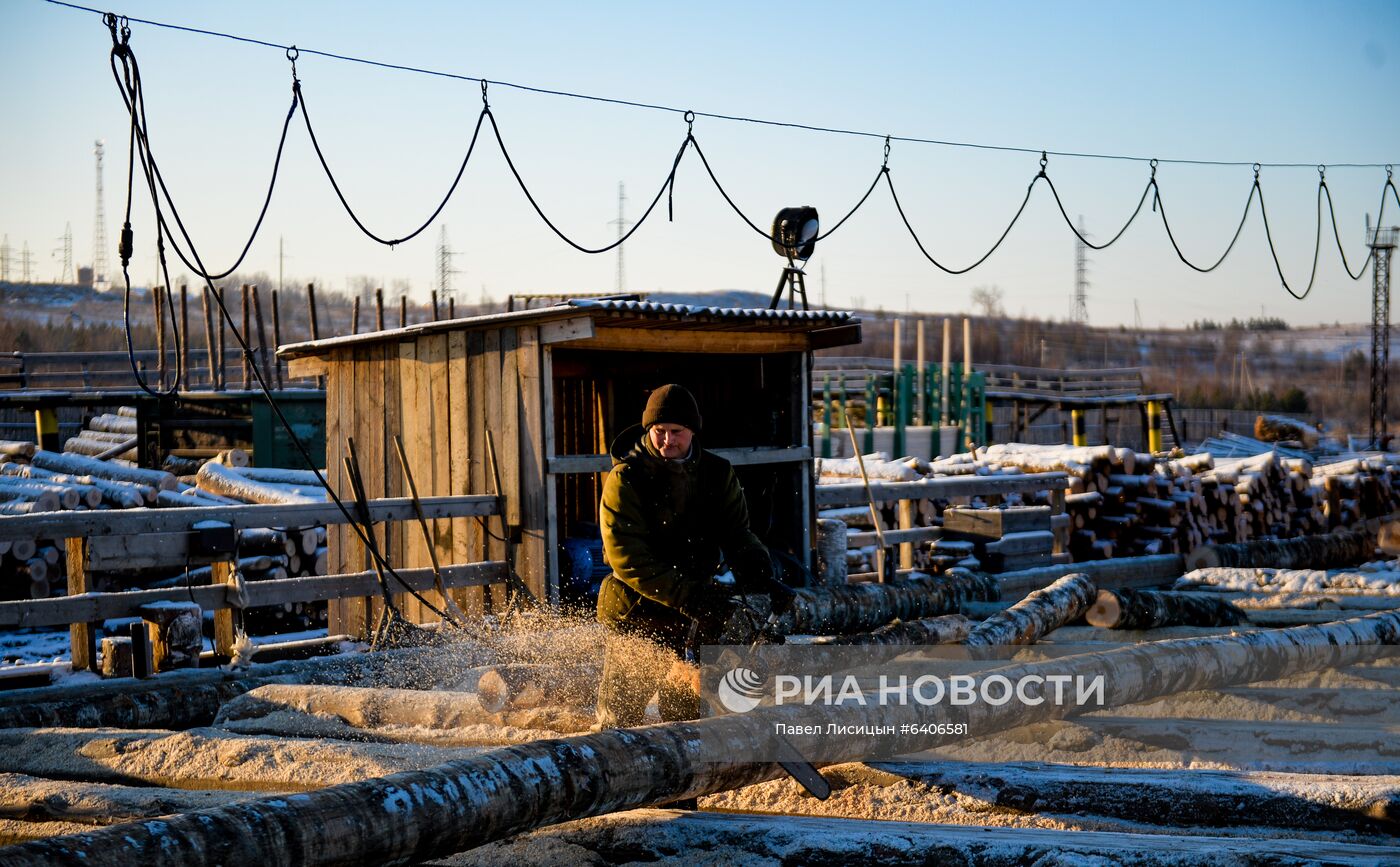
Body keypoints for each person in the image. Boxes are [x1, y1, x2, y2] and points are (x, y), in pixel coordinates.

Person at [594, 383, 795, 729]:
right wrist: (691, 596)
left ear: (692, 431)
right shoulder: (626, 479)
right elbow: (627, 559)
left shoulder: (716, 473)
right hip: (638, 611)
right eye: (659, 432)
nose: (668, 441)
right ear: (648, 430)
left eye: (676, 432)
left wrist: (759, 573)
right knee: (619, 720)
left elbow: (736, 532)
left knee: (685, 719)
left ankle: (681, 776)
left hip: (695, 618)